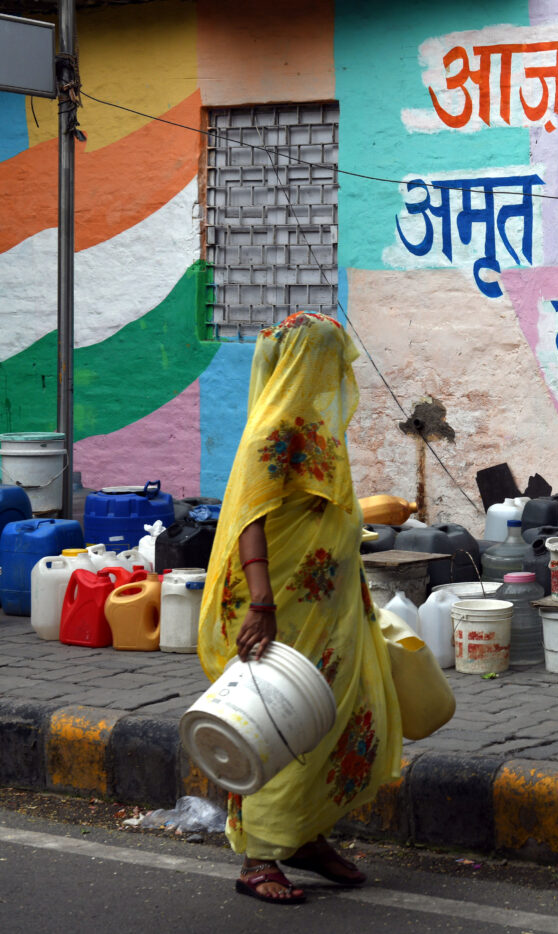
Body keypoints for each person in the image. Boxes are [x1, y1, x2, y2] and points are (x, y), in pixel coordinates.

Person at [198, 311, 402, 905]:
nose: (335, 372)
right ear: (302, 364)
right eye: (327, 359)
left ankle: (305, 837)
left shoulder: (313, 429)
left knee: (328, 717)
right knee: (278, 720)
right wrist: (261, 602)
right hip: (280, 605)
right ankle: (259, 858)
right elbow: (250, 516)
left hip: (326, 607)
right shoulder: (274, 432)